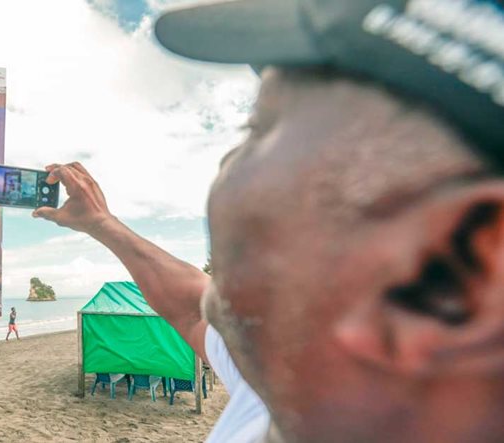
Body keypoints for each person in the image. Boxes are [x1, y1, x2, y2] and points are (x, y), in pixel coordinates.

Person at [34, 0, 504, 441]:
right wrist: (101, 223)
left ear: (459, 272)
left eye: (256, 128)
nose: (225, 164)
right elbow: (191, 306)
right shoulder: (302, 378)